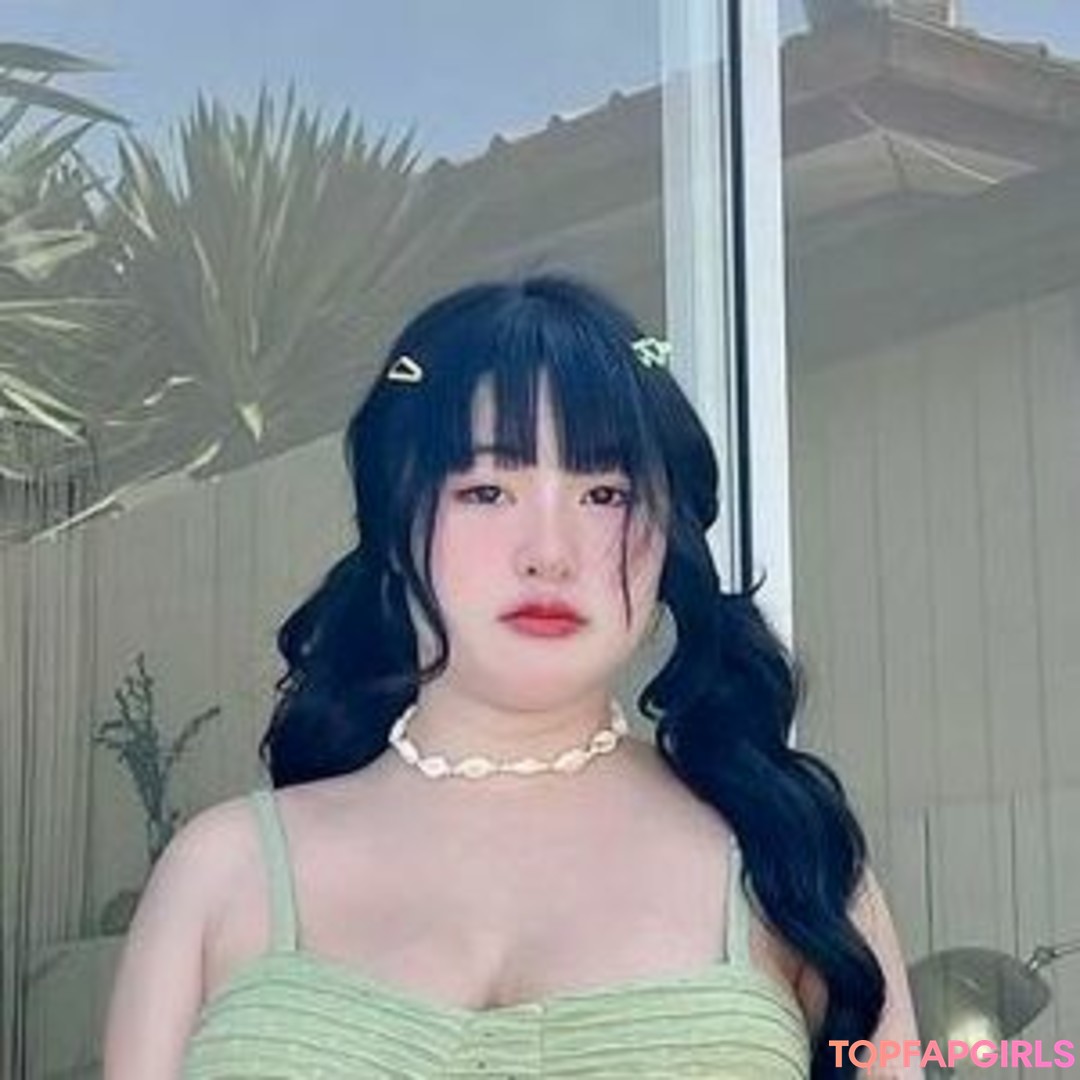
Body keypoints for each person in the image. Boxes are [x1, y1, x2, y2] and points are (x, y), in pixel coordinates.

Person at [103, 274, 921, 1078]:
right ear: (395, 525)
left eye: (605, 494)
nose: (549, 553)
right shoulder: (222, 871)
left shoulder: (791, 860)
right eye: (488, 491)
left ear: (669, 533)